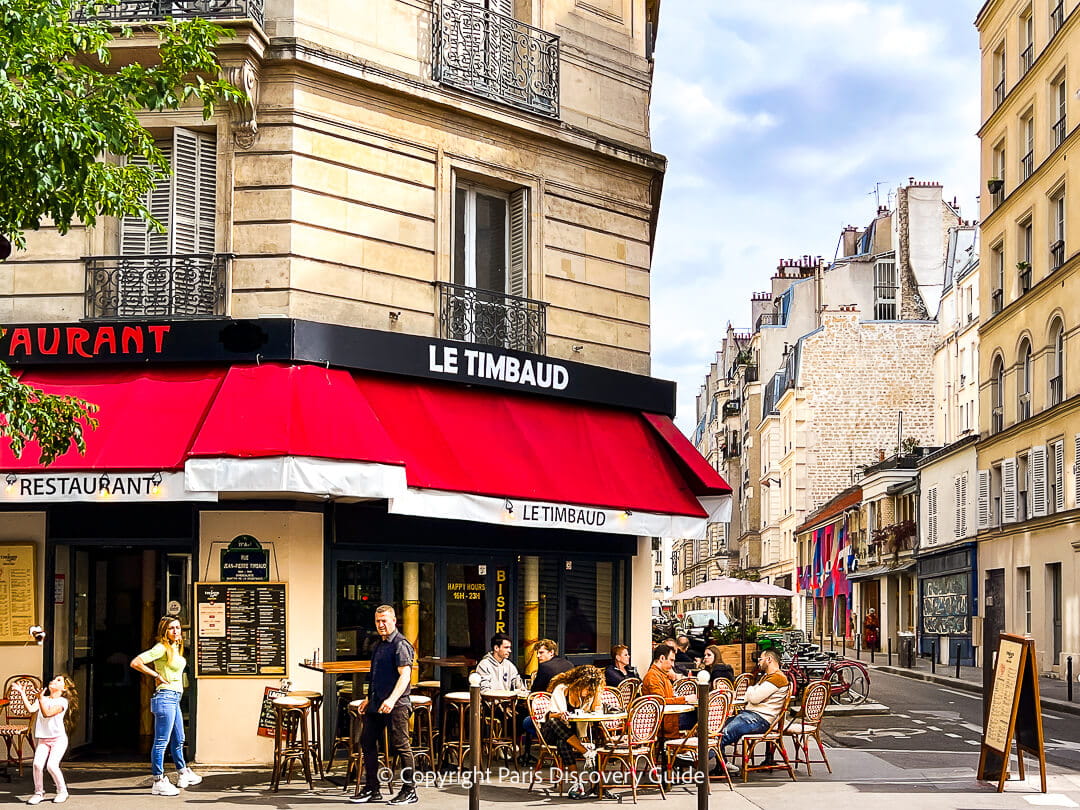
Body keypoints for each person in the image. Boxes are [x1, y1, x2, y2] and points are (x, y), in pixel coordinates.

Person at [350, 604, 417, 805]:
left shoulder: (400, 644)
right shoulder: (379, 644)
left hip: (396, 704)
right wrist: (369, 699)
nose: (381, 625)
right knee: (367, 742)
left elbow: (405, 676)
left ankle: (409, 789)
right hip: (377, 703)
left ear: (394, 621)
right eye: (378, 621)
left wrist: (391, 700)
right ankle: (372, 788)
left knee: (401, 746)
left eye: (384, 621)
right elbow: (377, 676)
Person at [130, 616, 202, 796]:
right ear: (164, 631)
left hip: (174, 698)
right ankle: (158, 780)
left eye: (178, 628)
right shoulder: (161, 648)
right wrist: (156, 675)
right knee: (161, 741)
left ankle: (182, 772)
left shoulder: (175, 648)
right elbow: (136, 662)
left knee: (179, 739)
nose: (176, 631)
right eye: (171, 628)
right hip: (165, 697)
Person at [538, 665, 604, 800]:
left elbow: (596, 710)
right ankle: (586, 752)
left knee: (563, 743)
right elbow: (551, 715)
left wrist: (597, 692)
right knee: (555, 723)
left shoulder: (588, 695)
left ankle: (576, 783)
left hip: (569, 734)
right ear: (579, 683)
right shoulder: (562, 689)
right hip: (551, 731)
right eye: (587, 687)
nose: (588, 691)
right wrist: (560, 714)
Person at [719, 649, 790, 772]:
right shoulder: (768, 677)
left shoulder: (777, 678)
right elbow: (750, 696)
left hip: (759, 719)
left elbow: (754, 698)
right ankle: (721, 764)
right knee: (717, 729)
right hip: (752, 716)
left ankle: (699, 758)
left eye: (760, 659)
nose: (758, 662)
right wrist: (752, 692)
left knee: (724, 734)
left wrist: (751, 689)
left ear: (769, 660)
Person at [15, 675, 77, 805]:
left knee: (51, 766)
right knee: (37, 765)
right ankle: (38, 793)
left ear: (64, 688)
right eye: (54, 679)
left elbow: (47, 714)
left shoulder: (62, 702)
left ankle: (62, 791)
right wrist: (22, 693)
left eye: (58, 680)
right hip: (43, 739)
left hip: (58, 739)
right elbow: (31, 709)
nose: (53, 681)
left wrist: (40, 699)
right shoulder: (43, 698)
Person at [642, 644, 696, 738]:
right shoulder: (653, 677)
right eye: (671, 660)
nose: (673, 665)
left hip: (669, 719)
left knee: (699, 715)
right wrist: (685, 699)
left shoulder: (661, 674)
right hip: (664, 723)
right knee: (699, 716)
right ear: (662, 658)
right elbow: (661, 701)